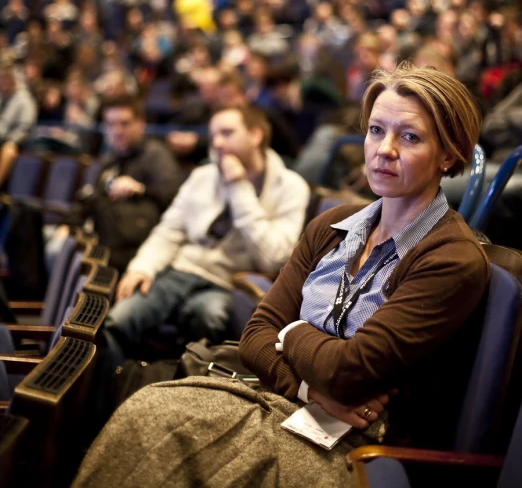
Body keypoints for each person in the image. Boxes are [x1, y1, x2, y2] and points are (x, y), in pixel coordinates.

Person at [73, 64, 489, 488]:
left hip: (358, 448)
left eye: (410, 137)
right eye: (377, 130)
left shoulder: (450, 256)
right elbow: (255, 333)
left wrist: (290, 333)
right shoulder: (333, 225)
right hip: (290, 404)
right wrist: (310, 387)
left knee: (170, 436)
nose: (384, 149)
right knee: (144, 413)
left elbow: (350, 372)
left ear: (449, 154)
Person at [103, 104, 310, 361]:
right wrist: (142, 267)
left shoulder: (290, 187)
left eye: (227, 133)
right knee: (117, 320)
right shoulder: (203, 176)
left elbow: (273, 257)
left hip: (228, 281)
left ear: (255, 135)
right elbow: (169, 230)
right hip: (180, 271)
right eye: (213, 135)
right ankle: (115, 392)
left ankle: (186, 391)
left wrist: (239, 187)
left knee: (207, 315)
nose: (218, 143)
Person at [49, 95, 183, 274]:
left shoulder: (155, 155)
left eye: (124, 123)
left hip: (135, 243)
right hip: (105, 235)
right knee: (47, 238)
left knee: (57, 250)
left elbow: (174, 196)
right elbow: (89, 199)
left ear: (141, 122)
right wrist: (69, 225)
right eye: (110, 124)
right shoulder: (109, 160)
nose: (117, 130)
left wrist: (140, 189)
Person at [0, 63, 37, 189]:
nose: (2, 82)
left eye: (5, 79)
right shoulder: (2, 97)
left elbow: (25, 128)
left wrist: (11, 139)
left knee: (8, 150)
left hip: (17, 141)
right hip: (1, 137)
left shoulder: (25, 100)